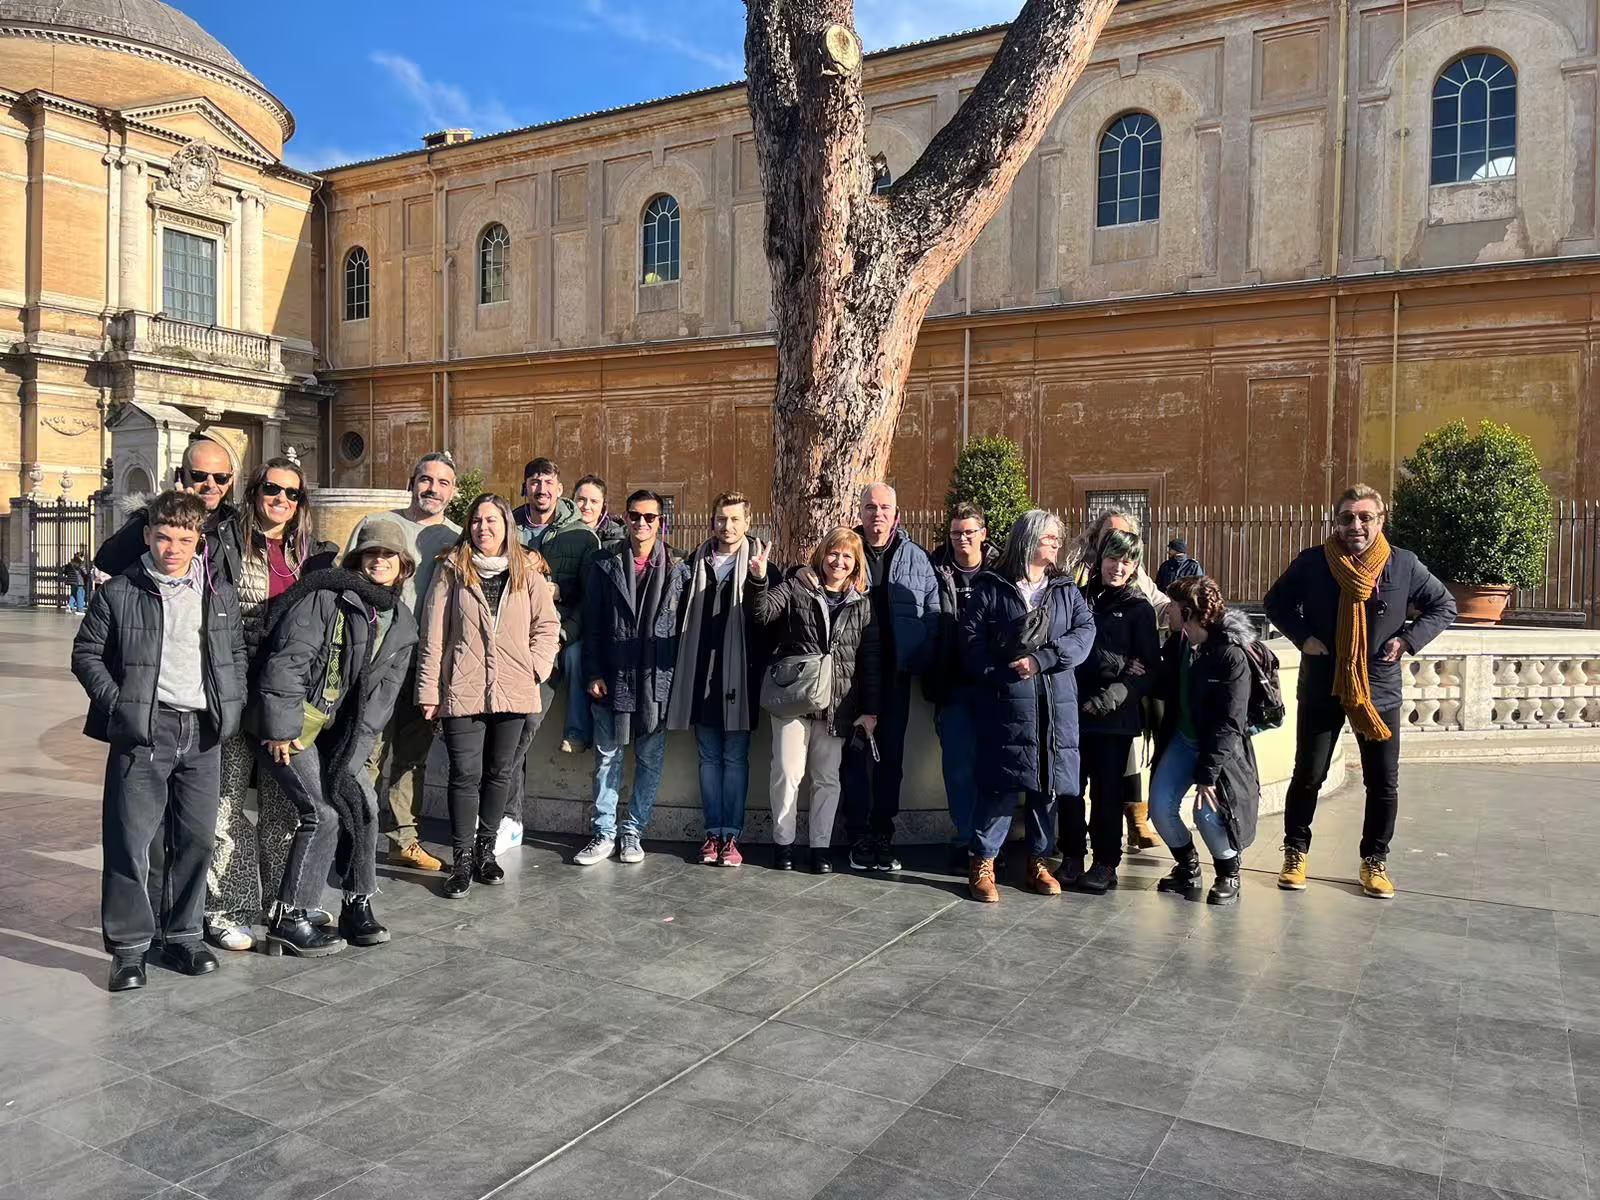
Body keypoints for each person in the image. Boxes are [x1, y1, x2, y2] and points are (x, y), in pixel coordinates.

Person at [71, 490, 247, 992]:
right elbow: (86, 655)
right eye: (164, 536)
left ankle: (184, 935)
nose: (173, 547)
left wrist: (230, 705)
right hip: (145, 731)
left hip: (202, 732)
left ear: (199, 540)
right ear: (148, 535)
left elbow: (233, 653)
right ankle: (129, 950)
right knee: (133, 842)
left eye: (184, 538)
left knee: (195, 839)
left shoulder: (218, 593)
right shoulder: (120, 591)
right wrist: (122, 704)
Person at [1263, 483, 1456, 898]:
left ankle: (1375, 860)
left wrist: (1407, 640)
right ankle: (1295, 852)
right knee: (1308, 774)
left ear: (1380, 521)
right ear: (1336, 522)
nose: (1356, 525)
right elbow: (1275, 603)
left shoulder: (1403, 566)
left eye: (1365, 517)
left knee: (1383, 781)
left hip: (1378, 689)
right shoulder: (1313, 563)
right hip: (1322, 683)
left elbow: (1444, 606)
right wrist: (1303, 638)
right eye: (1348, 517)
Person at [253, 521, 420, 953]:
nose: (379, 560)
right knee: (322, 815)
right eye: (370, 554)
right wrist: (280, 727)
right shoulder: (328, 598)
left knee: (362, 804)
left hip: (339, 736)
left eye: (388, 555)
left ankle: (356, 905)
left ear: (403, 566)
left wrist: (354, 758)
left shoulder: (402, 622)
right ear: (357, 560)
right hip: (295, 727)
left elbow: (380, 703)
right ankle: (290, 918)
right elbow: (287, 662)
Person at [205, 458, 334, 953]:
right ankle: (226, 907)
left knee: (288, 806)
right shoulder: (225, 544)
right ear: (255, 491)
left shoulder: (312, 556)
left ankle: (286, 904)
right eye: (272, 489)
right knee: (227, 804)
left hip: (287, 704)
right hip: (236, 696)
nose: (281, 499)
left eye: (292, 493)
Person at [418, 494, 561, 898]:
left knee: (501, 773)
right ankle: (461, 857)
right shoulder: (452, 570)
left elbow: (547, 625)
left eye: (492, 520)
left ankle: (486, 849)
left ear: (506, 526)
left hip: (515, 689)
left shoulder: (525, 570)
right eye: (477, 520)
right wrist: (429, 690)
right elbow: (434, 635)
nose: (484, 527)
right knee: (465, 774)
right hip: (462, 688)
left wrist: (535, 667)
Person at [958, 510, 1095, 903]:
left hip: (1056, 706)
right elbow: (971, 640)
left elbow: (1085, 633)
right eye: (1049, 537)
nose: (1055, 543)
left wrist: (1043, 660)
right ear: (1028, 540)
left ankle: (1039, 861)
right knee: (1000, 785)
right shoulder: (992, 587)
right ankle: (983, 862)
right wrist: (997, 674)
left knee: (1046, 788)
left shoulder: (1065, 589)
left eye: (1056, 538)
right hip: (1006, 705)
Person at [346, 452, 460, 872]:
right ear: (412, 482)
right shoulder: (379, 525)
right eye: (425, 479)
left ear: (453, 490)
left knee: (412, 756)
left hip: (425, 664)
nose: (432, 488)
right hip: (376, 661)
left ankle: (403, 840)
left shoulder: (458, 537)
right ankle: (352, 837)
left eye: (443, 482)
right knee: (366, 752)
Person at [751, 527, 881, 873]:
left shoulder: (862, 605)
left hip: (838, 705)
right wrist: (760, 578)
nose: (838, 561)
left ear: (856, 564)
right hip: (794, 699)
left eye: (847, 556)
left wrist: (870, 711)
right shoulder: (797, 587)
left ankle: (820, 848)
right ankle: (783, 844)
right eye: (833, 553)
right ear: (822, 555)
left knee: (827, 778)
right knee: (786, 773)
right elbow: (762, 613)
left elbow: (869, 661)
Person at [573, 489, 688, 866]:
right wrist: (591, 672)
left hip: (656, 680)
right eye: (635, 516)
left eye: (650, 517)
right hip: (611, 675)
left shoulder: (677, 566)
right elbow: (591, 625)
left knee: (650, 759)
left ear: (661, 522)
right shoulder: (605, 563)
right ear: (625, 518)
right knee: (607, 758)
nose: (641, 524)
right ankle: (603, 833)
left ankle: (632, 832)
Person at [1147, 576, 1262, 905]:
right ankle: (1188, 867)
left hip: (1218, 750)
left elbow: (1230, 723)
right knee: (1159, 807)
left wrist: (1207, 778)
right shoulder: (1181, 642)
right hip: (1184, 740)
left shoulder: (1230, 656)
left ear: (1187, 612)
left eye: (1171, 606)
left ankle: (1229, 872)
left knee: (1207, 814)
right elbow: (1165, 682)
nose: (1166, 610)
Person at [844, 482, 938, 873]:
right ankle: (857, 836)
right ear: (860, 513)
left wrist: (920, 658)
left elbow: (934, 611)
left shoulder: (916, 557)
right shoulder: (844, 552)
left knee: (891, 761)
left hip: (896, 676)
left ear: (896, 513)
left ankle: (883, 833)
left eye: (884, 507)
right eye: (870, 507)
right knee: (852, 758)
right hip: (851, 677)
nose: (876, 514)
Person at [668, 493, 766, 867]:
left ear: (747, 522)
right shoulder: (695, 563)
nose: (728, 526)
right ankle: (713, 833)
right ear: (712, 522)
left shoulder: (761, 563)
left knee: (735, 757)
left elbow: (765, 618)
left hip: (741, 677)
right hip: (701, 674)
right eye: (721, 519)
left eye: (735, 520)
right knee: (709, 757)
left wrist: (758, 579)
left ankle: (732, 837)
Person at [1071, 507, 1167, 853]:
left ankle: (1113, 849)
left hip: (1116, 706)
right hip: (1075, 705)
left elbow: (1157, 611)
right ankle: (1070, 855)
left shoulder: (1137, 598)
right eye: (1111, 546)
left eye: (1126, 557)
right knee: (1071, 789)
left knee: (1108, 788)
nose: (1119, 564)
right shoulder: (1077, 586)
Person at [926, 504, 998, 870]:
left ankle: (988, 843)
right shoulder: (934, 568)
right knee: (956, 768)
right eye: (956, 532)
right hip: (951, 684)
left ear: (983, 533)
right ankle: (965, 837)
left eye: (969, 531)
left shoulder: (1002, 571)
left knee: (992, 765)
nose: (963, 538)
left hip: (993, 685)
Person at [95, 434, 244, 585]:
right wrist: (167, 513)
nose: (210, 485)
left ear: (231, 480)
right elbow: (107, 561)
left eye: (221, 478)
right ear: (180, 475)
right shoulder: (152, 516)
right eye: (199, 476)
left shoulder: (237, 524)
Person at [562, 473, 622, 753]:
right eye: (581, 499)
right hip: (572, 619)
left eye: (593, 501)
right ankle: (577, 731)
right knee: (573, 656)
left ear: (603, 506)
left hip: (605, 626)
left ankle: (587, 733)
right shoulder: (562, 534)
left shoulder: (615, 540)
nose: (586, 506)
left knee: (582, 658)